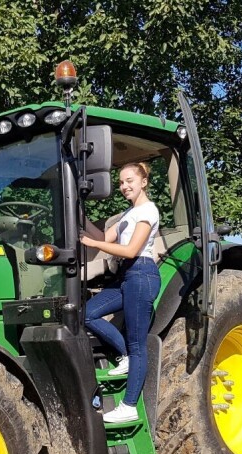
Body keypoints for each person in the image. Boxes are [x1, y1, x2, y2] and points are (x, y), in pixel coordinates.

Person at [80, 162, 161, 423]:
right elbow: (105, 237)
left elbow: (130, 250)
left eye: (129, 181)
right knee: (88, 313)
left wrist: (91, 243)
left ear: (143, 182)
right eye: (121, 183)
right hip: (127, 276)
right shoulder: (129, 213)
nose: (124, 186)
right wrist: (79, 215)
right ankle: (124, 356)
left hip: (142, 274)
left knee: (138, 345)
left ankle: (129, 405)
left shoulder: (148, 211)